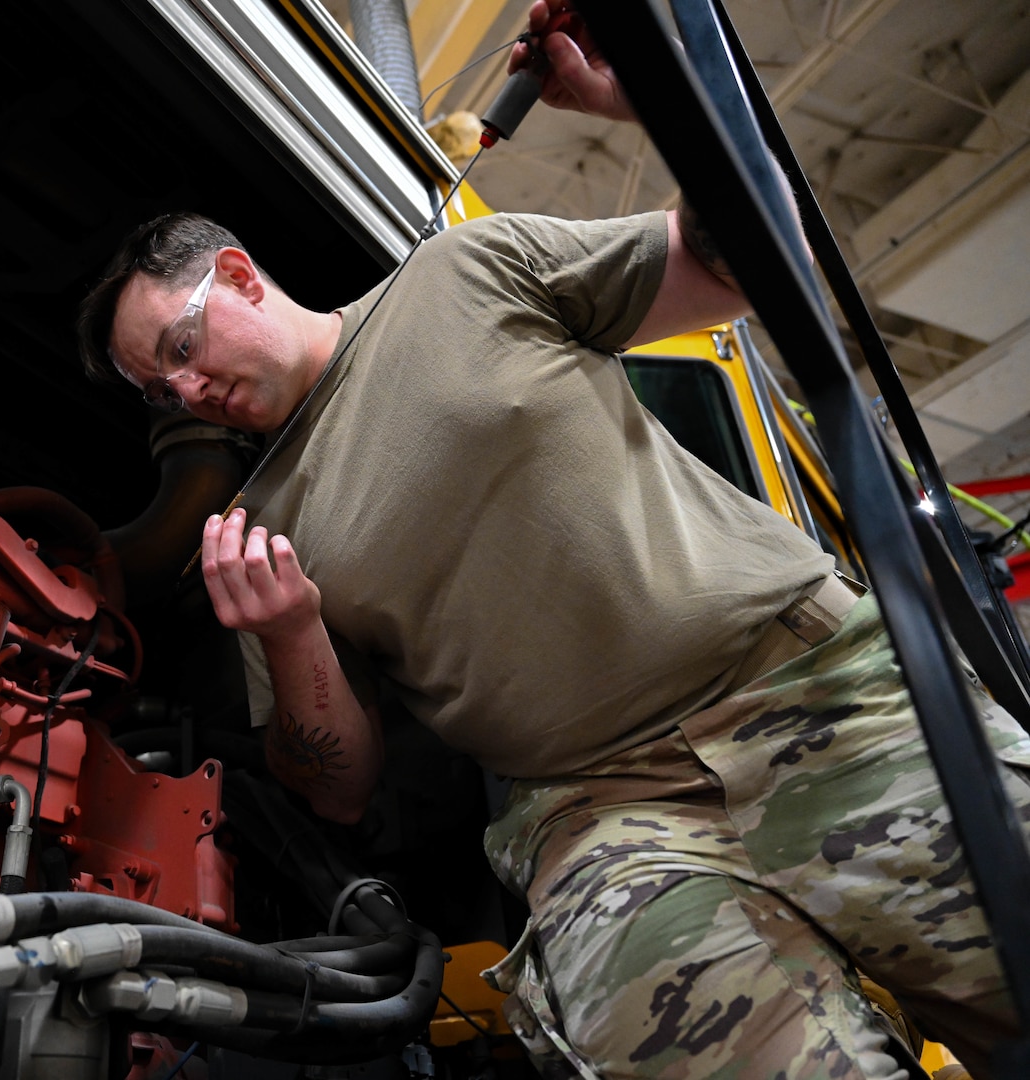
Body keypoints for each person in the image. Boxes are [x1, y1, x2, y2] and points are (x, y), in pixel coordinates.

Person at [75, 4, 1030, 1076]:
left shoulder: (464, 273)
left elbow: (748, 261)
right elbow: (334, 790)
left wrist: (657, 110)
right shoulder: (263, 537)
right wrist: (293, 631)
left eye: (186, 347)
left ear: (242, 276)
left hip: (810, 692)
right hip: (599, 817)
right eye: (166, 388)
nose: (190, 389)